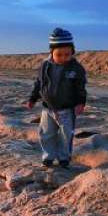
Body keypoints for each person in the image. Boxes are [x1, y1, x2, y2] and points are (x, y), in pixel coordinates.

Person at [26, 28, 88, 168]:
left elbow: (80, 88)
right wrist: (32, 98)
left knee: (66, 135)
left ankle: (64, 157)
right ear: (51, 52)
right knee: (46, 134)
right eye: (59, 54)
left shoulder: (76, 68)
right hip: (47, 109)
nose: (64, 57)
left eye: (67, 54)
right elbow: (39, 84)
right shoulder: (45, 66)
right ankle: (48, 156)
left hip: (67, 109)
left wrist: (80, 102)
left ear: (72, 51)